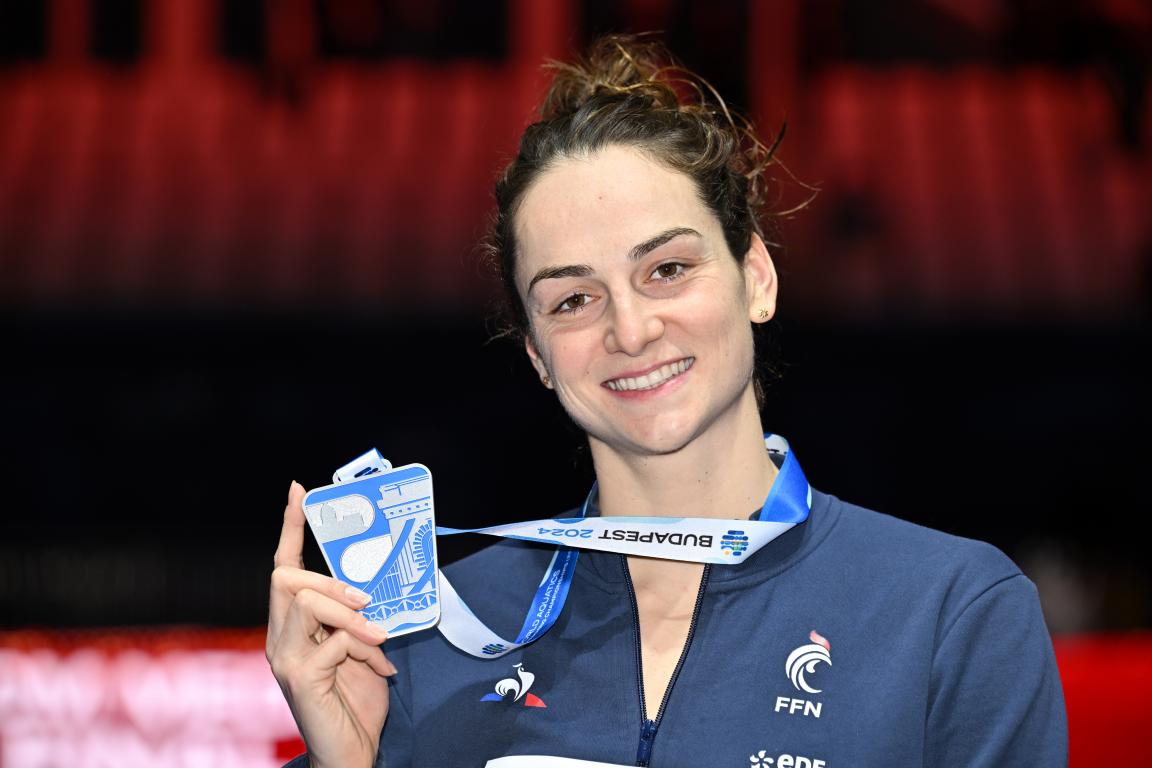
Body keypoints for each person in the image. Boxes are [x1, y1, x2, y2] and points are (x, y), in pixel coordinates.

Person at [267, 35, 1067, 768]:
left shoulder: (952, 612)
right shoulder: (427, 638)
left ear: (756, 276)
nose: (631, 328)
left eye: (668, 270)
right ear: (539, 356)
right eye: (573, 300)